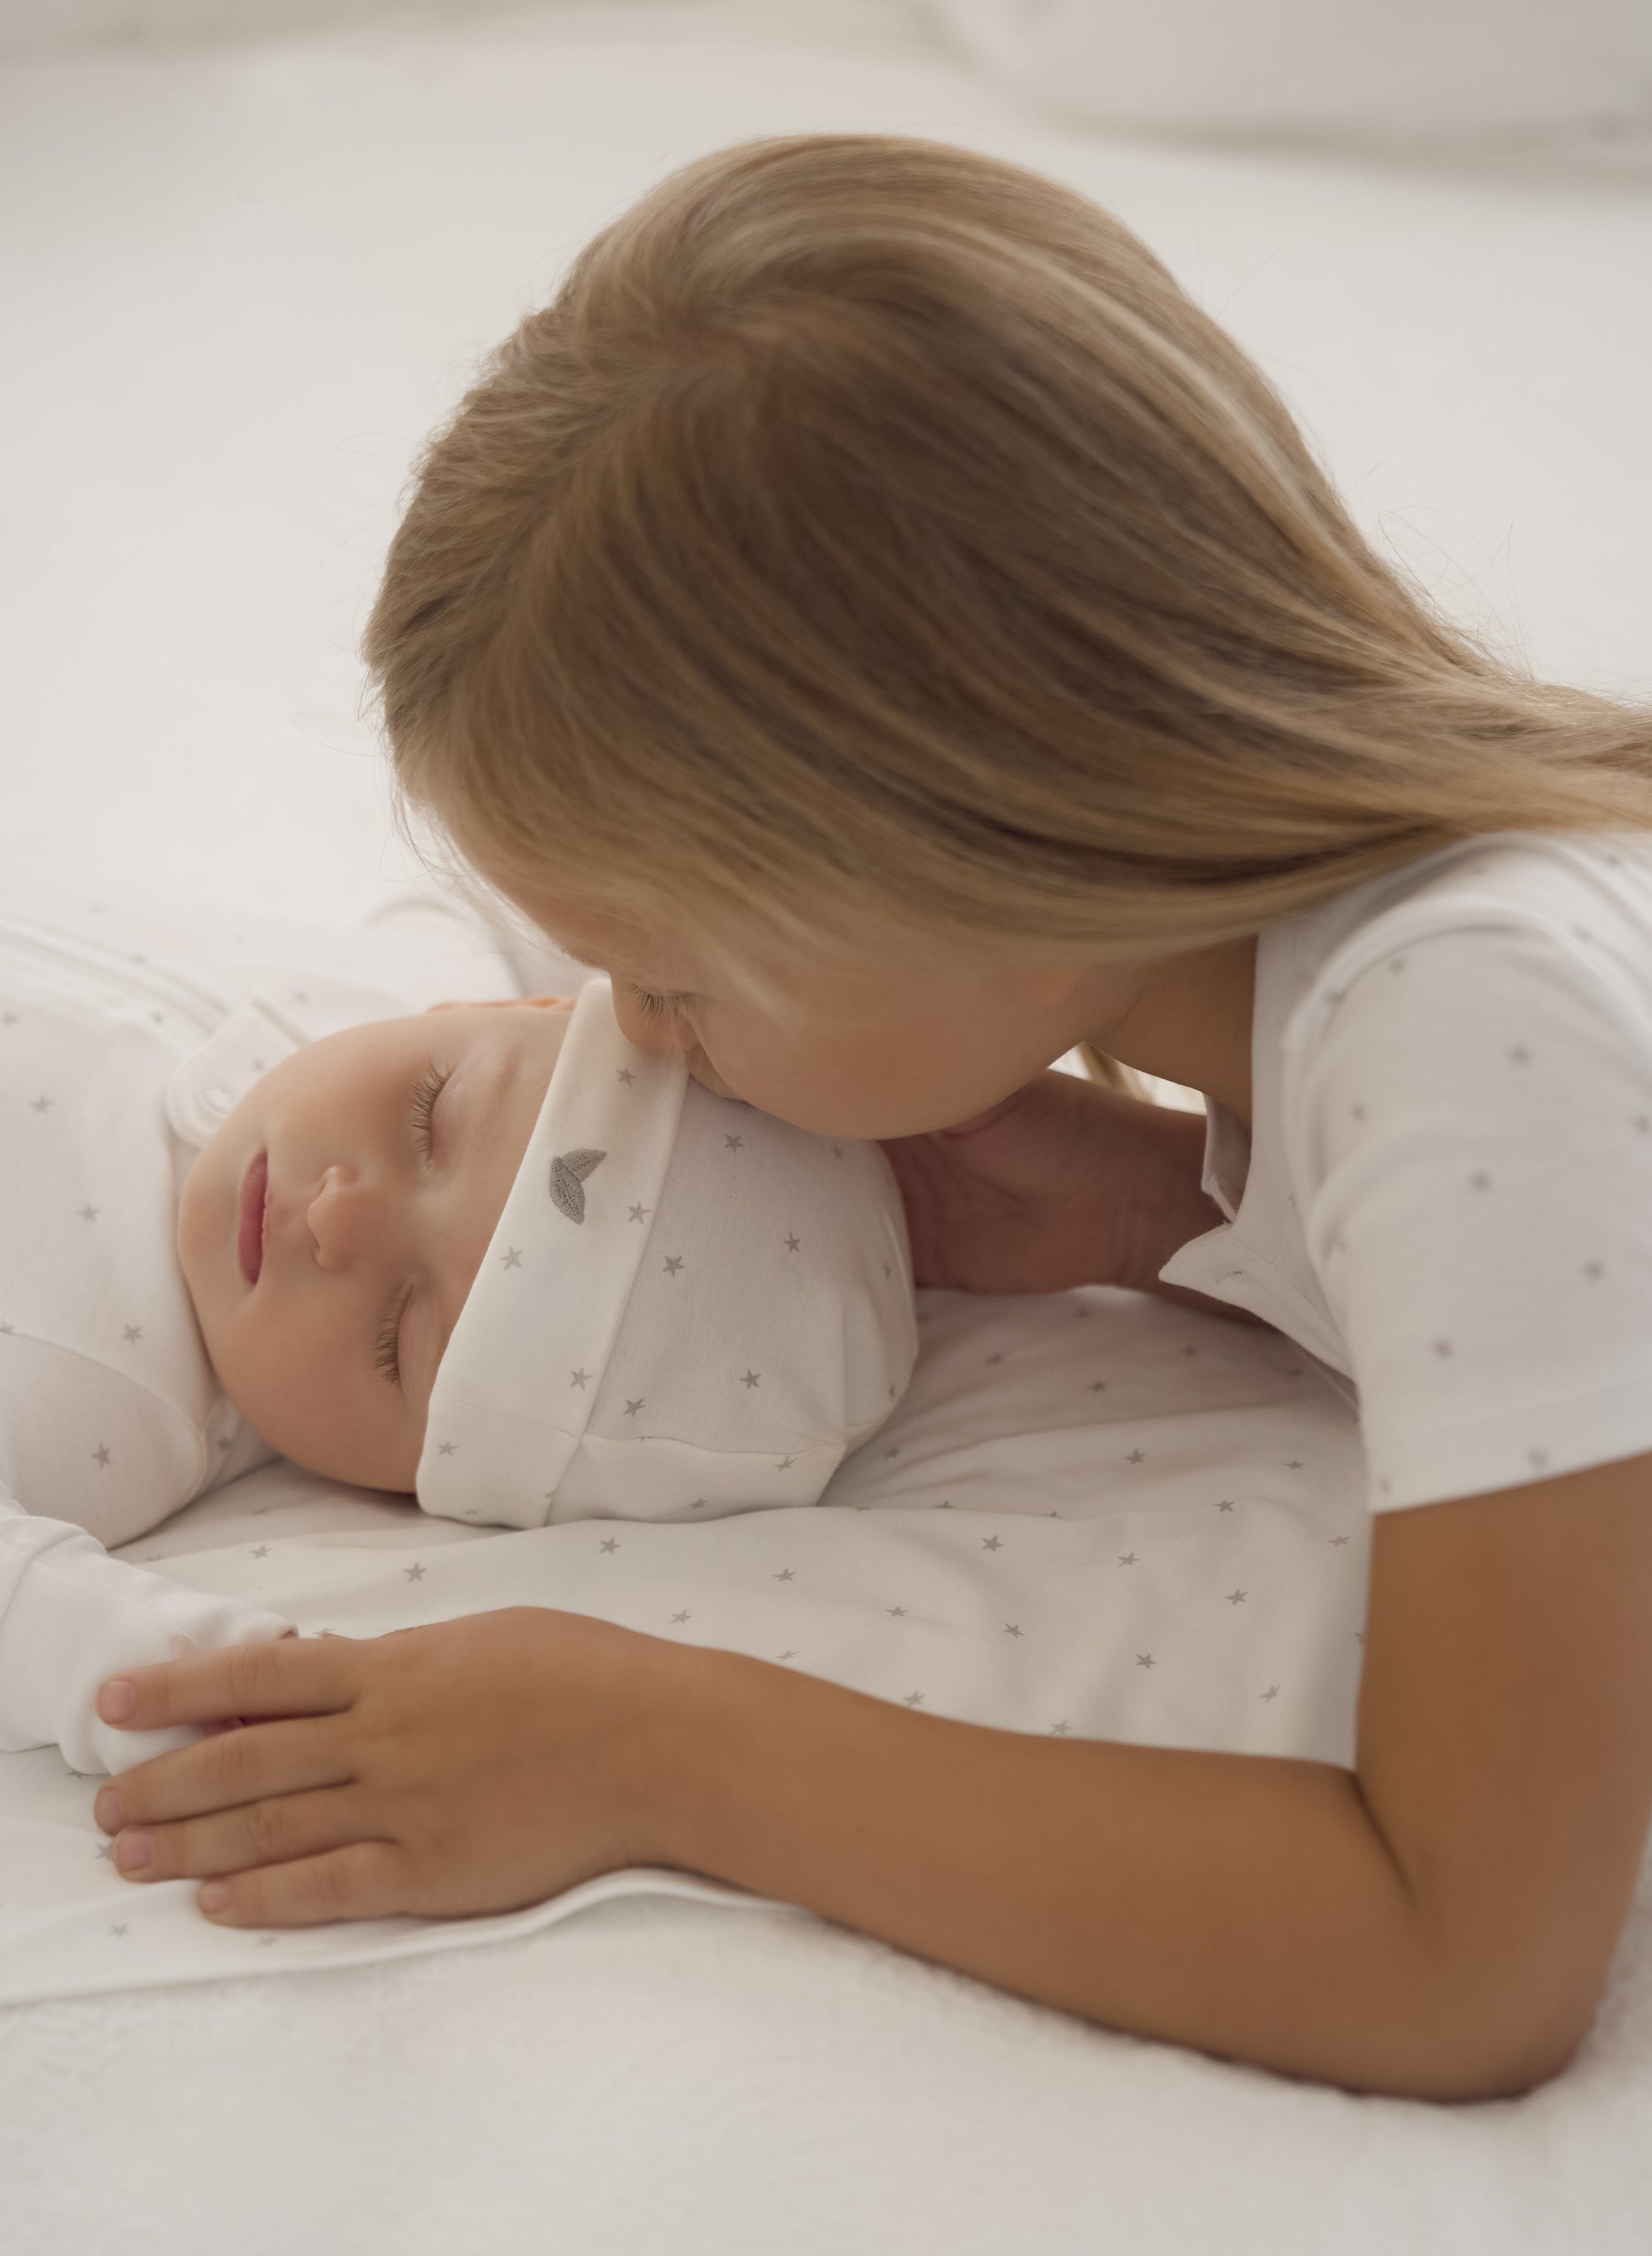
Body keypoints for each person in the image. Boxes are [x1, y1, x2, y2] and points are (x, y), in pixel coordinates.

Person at [91, 135, 1652, 2103]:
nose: (653, 1043)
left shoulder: (1480, 1022)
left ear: (998, 894)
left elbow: (1465, 1961)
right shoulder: (1434, 954)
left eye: (676, 980)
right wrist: (1155, 1212)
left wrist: (653, 1745)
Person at [0, 873, 912, 1774]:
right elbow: (541, 871)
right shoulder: (425, 986)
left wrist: (150, 1667)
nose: (337, 1215)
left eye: (397, 1335)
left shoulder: (101, 1397)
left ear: (402, 1484)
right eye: (427, 1118)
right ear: (502, 1012)